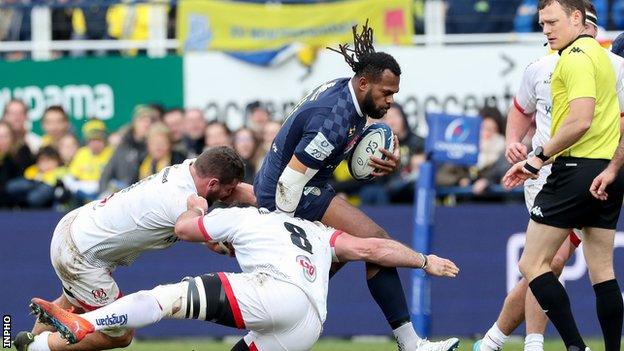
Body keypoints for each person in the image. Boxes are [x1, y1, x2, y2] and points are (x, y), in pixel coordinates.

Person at [253, 21, 459, 351]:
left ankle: (269, 324)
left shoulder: (350, 99)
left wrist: (370, 162)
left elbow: (335, 154)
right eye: (386, 93)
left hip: (303, 184)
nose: (391, 101)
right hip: (288, 192)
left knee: (325, 267)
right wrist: (283, 232)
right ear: (364, 83)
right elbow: (291, 179)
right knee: (376, 242)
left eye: (394, 94)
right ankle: (412, 345)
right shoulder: (334, 117)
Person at [27, 202, 460, 351]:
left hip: (273, 291)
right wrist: (425, 261)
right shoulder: (320, 231)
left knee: (165, 298)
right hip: (309, 324)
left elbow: (186, 230)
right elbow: (372, 248)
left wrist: (196, 208)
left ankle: (88, 322)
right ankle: (27, 341)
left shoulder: (245, 217)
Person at [474, 3, 624, 351]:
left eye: (551, 22)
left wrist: (536, 158)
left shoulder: (568, 60)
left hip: (569, 169)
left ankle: (570, 344)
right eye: (542, 23)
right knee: (602, 272)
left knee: (533, 263)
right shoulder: (608, 61)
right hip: (606, 172)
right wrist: (615, 169)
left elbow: (580, 120)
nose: (546, 30)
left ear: (579, 21)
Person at [12, 146, 245, 351]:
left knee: (74, 302)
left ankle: (29, 339)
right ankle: (39, 347)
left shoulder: (187, 168)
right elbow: (200, 235)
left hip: (76, 226)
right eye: (228, 189)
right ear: (213, 183)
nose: (228, 196)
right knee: (121, 334)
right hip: (81, 254)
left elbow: (222, 192)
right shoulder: (181, 199)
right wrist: (227, 237)